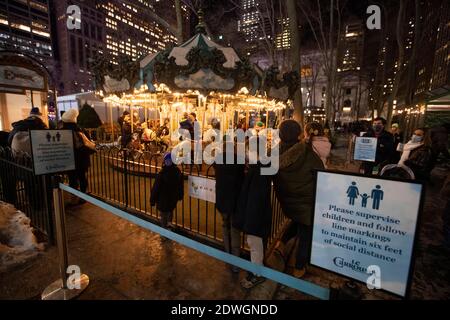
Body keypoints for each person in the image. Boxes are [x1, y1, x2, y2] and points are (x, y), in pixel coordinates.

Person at [273, 120, 324, 278]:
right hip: (306, 201)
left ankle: (281, 244)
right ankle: (299, 267)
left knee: (298, 220)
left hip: (287, 202)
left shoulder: (273, 153)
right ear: (298, 134)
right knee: (305, 233)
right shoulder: (306, 152)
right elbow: (320, 173)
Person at [234, 136, 272, 289]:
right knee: (256, 245)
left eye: (249, 150)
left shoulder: (259, 171)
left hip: (255, 219)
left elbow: (255, 199)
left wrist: (249, 223)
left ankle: (257, 274)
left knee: (255, 245)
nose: (247, 153)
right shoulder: (260, 167)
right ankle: (256, 269)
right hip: (255, 216)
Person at [213, 136, 245, 272]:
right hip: (235, 200)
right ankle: (236, 263)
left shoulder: (218, 161)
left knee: (225, 225)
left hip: (222, 199)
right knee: (235, 229)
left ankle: (227, 255)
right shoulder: (239, 161)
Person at [61, 108, 93, 199]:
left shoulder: (61, 131)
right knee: (82, 177)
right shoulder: (81, 130)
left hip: (68, 159)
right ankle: (83, 196)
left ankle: (73, 196)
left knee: (72, 179)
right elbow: (88, 143)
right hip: (82, 159)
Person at [150, 153, 184, 237]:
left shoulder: (162, 174)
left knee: (163, 215)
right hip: (173, 199)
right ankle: (169, 224)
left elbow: (156, 188)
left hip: (163, 199)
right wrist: (180, 195)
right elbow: (180, 186)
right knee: (170, 211)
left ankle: (164, 231)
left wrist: (152, 200)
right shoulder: (177, 172)